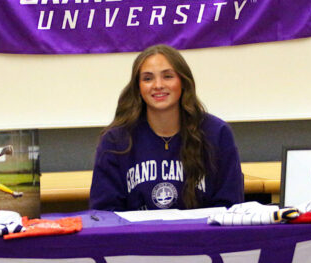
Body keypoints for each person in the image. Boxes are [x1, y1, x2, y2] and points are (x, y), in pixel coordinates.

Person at [89, 44, 244, 211]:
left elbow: (231, 207)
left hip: (200, 236)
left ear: (183, 82)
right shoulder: (116, 140)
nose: (158, 85)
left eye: (168, 76)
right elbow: (103, 214)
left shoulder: (216, 133)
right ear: (138, 88)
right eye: (148, 78)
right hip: (138, 237)